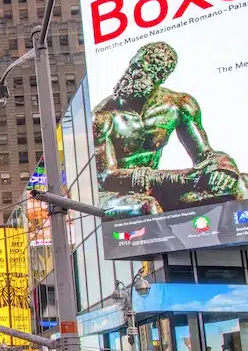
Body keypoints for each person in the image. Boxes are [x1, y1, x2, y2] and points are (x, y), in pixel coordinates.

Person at [94, 41, 248, 219]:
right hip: (114, 194)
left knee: (240, 182)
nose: (129, 74)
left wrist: (224, 168)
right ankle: (171, 248)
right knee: (147, 206)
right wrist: (181, 178)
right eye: (132, 65)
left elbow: (204, 155)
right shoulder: (102, 117)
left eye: (138, 69)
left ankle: (236, 239)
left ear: (158, 76)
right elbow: (107, 177)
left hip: (157, 189)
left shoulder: (178, 105)